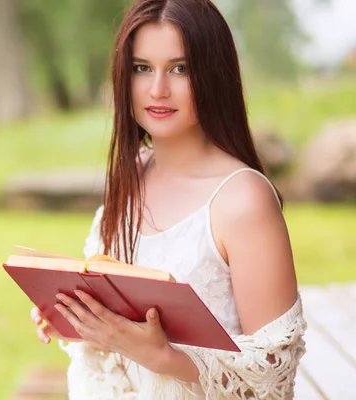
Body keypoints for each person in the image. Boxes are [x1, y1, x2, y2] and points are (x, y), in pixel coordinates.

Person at [30, 0, 307, 398]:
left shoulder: (242, 200)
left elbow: (273, 379)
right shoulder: (132, 174)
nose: (158, 89)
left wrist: (163, 357)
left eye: (180, 68)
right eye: (142, 68)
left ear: (213, 75)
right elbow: (121, 325)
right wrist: (82, 322)